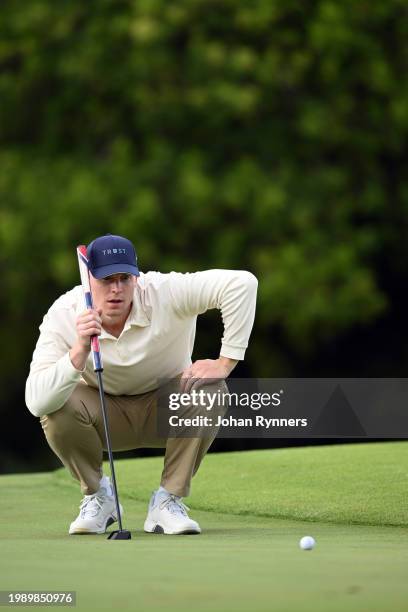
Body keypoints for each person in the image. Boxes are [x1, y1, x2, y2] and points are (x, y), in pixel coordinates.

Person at [25, 234, 258, 535]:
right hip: (100, 417)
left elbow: (243, 284)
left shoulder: (165, 292)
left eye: (125, 278)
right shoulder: (64, 313)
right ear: (88, 280)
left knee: (210, 390)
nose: (117, 289)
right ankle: (99, 496)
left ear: (137, 277)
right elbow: (36, 401)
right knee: (55, 406)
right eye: (106, 279)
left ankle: (167, 502)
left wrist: (226, 362)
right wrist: (79, 351)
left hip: (167, 410)